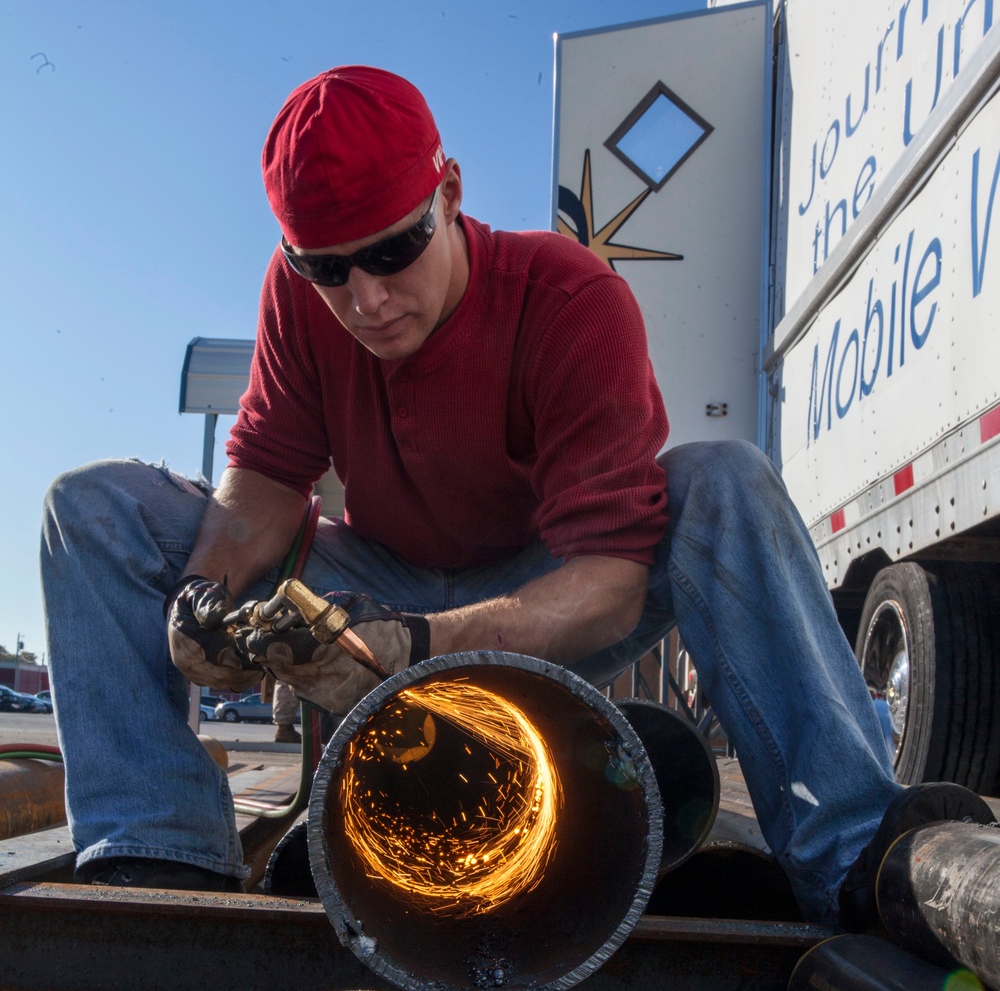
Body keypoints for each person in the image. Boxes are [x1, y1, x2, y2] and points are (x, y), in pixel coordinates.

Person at [40, 66, 991, 921]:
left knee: (725, 479)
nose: (365, 299)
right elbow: (266, 482)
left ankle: (856, 854)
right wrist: (203, 597)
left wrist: (417, 644)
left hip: (550, 589)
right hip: (382, 580)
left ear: (449, 194)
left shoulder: (570, 300)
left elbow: (612, 579)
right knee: (90, 507)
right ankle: (160, 860)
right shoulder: (298, 299)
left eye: (391, 252)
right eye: (326, 269)